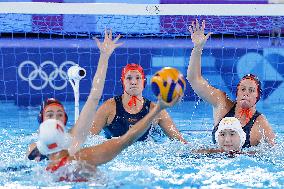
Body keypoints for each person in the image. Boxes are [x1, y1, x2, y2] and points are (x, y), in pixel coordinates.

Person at [27, 30, 123, 160]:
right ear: (42, 120)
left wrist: (104, 57)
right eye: (50, 114)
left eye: (59, 114)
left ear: (65, 119)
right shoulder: (34, 148)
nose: (55, 118)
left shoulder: (75, 137)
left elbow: (94, 96)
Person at [38, 96, 179, 182]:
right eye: (50, 115)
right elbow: (128, 139)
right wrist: (158, 108)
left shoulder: (41, 170)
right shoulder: (84, 157)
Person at [186, 20, 275, 148]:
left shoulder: (261, 124)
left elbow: (275, 153)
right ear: (237, 93)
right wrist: (197, 48)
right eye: (243, 89)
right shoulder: (221, 103)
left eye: (251, 90)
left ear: (257, 96)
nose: (246, 93)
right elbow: (194, 79)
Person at [89, 63, 187, 143]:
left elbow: (180, 142)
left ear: (144, 81)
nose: (133, 82)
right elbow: (89, 139)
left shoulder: (156, 110)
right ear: (122, 81)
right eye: (129, 78)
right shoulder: (109, 108)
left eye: (138, 78)